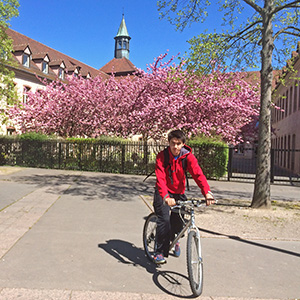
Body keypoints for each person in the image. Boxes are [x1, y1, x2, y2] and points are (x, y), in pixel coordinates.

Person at [153, 129, 214, 264]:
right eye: (173, 143)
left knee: (179, 220)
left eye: (178, 144)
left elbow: (198, 175)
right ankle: (159, 252)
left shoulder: (188, 157)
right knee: (164, 220)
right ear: (168, 143)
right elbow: (161, 179)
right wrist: (166, 197)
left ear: (183, 144)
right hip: (163, 192)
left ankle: (175, 240)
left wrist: (207, 192)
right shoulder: (162, 156)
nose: (175, 147)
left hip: (178, 192)